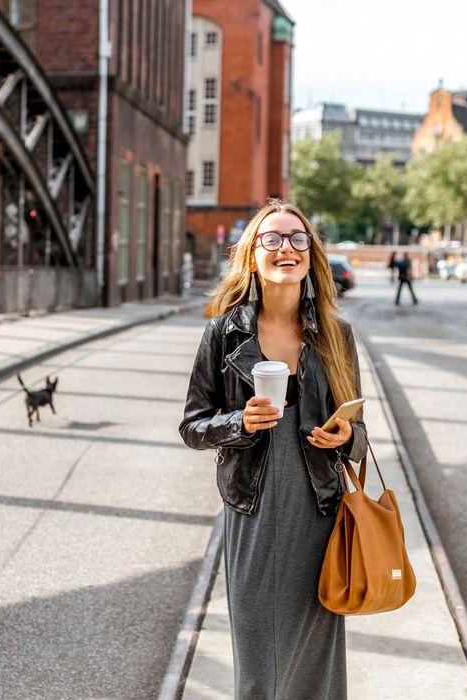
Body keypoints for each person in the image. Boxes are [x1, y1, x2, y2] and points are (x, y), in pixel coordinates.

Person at [179, 198, 367, 699]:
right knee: (261, 670)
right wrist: (239, 422)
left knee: (315, 669)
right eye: (273, 238)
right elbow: (193, 426)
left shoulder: (335, 335)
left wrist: (346, 436)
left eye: (298, 238)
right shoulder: (223, 332)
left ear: (311, 255)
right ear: (252, 255)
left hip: (319, 513)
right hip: (253, 515)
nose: (288, 247)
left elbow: (360, 432)